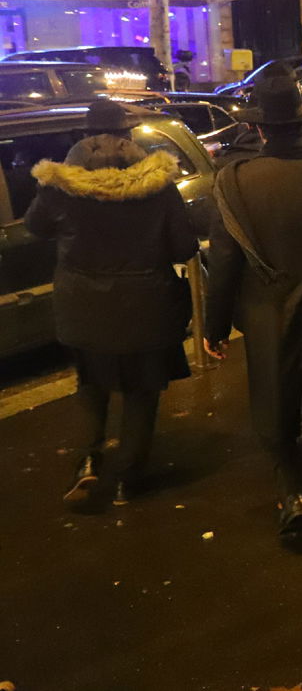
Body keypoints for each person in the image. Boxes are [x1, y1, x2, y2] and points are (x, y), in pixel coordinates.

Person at [32, 101, 197, 514]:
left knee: (91, 383)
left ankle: (88, 460)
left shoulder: (61, 186)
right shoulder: (159, 184)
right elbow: (184, 245)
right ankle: (127, 477)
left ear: (83, 135)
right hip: (146, 306)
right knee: (141, 391)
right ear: (127, 136)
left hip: (83, 307)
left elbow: (35, 227)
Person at [204, 72, 302, 549]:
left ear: (261, 129)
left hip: (266, 313)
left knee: (275, 408)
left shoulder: (235, 180)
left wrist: (215, 326)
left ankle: (294, 496)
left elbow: (223, 262)